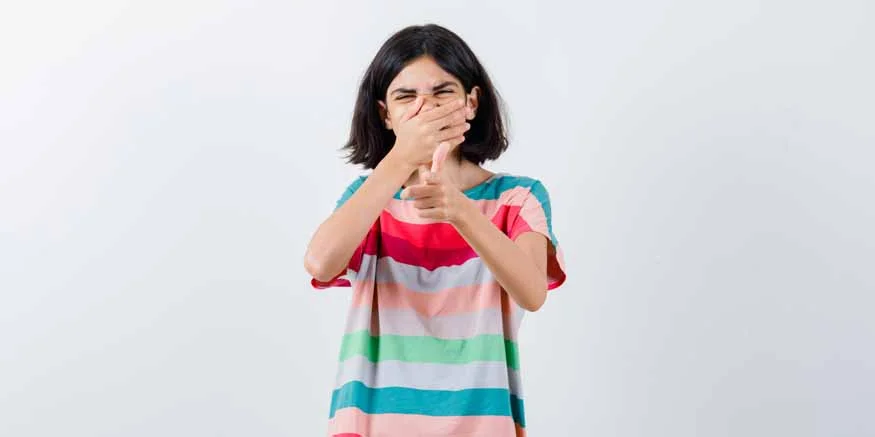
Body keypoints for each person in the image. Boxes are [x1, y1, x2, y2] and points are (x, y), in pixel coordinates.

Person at [304, 23, 567, 437]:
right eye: (405, 96)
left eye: (442, 92)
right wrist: (401, 158)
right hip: (374, 422)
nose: (424, 108)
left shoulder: (518, 198)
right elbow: (320, 263)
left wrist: (459, 210)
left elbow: (532, 293)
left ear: (471, 102)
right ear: (385, 114)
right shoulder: (368, 198)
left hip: (483, 422)